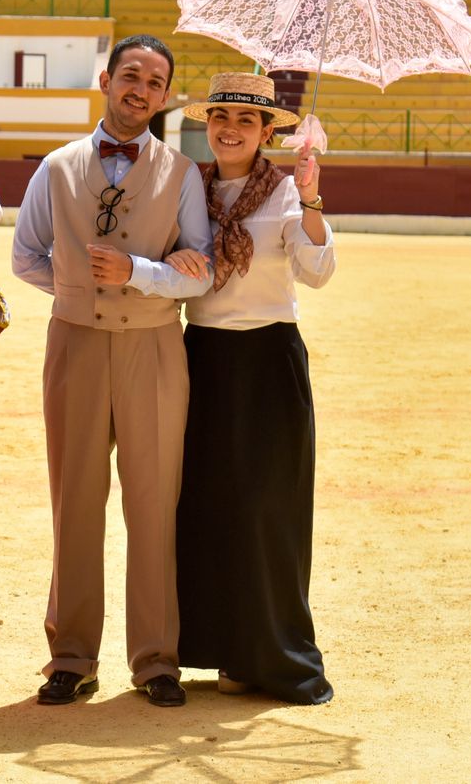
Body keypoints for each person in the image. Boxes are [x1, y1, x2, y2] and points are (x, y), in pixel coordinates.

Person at [11, 34, 213, 708]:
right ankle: (71, 655)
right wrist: (79, 292)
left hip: (154, 350)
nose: (141, 90)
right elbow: (26, 256)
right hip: (74, 345)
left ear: (164, 97)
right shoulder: (58, 165)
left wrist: (140, 275)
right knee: (75, 501)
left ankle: (156, 660)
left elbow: (200, 271)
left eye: (155, 82)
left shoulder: (183, 175)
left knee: (154, 504)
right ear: (106, 79)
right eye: (132, 75)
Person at [171, 72, 336, 705]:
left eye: (246, 120)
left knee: (269, 509)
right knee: (205, 506)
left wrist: (314, 199)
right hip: (201, 357)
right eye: (221, 117)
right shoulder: (188, 187)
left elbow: (315, 272)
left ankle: (271, 656)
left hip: (269, 359)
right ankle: (214, 651)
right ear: (205, 125)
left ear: (268, 133)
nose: (230, 129)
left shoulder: (288, 191)